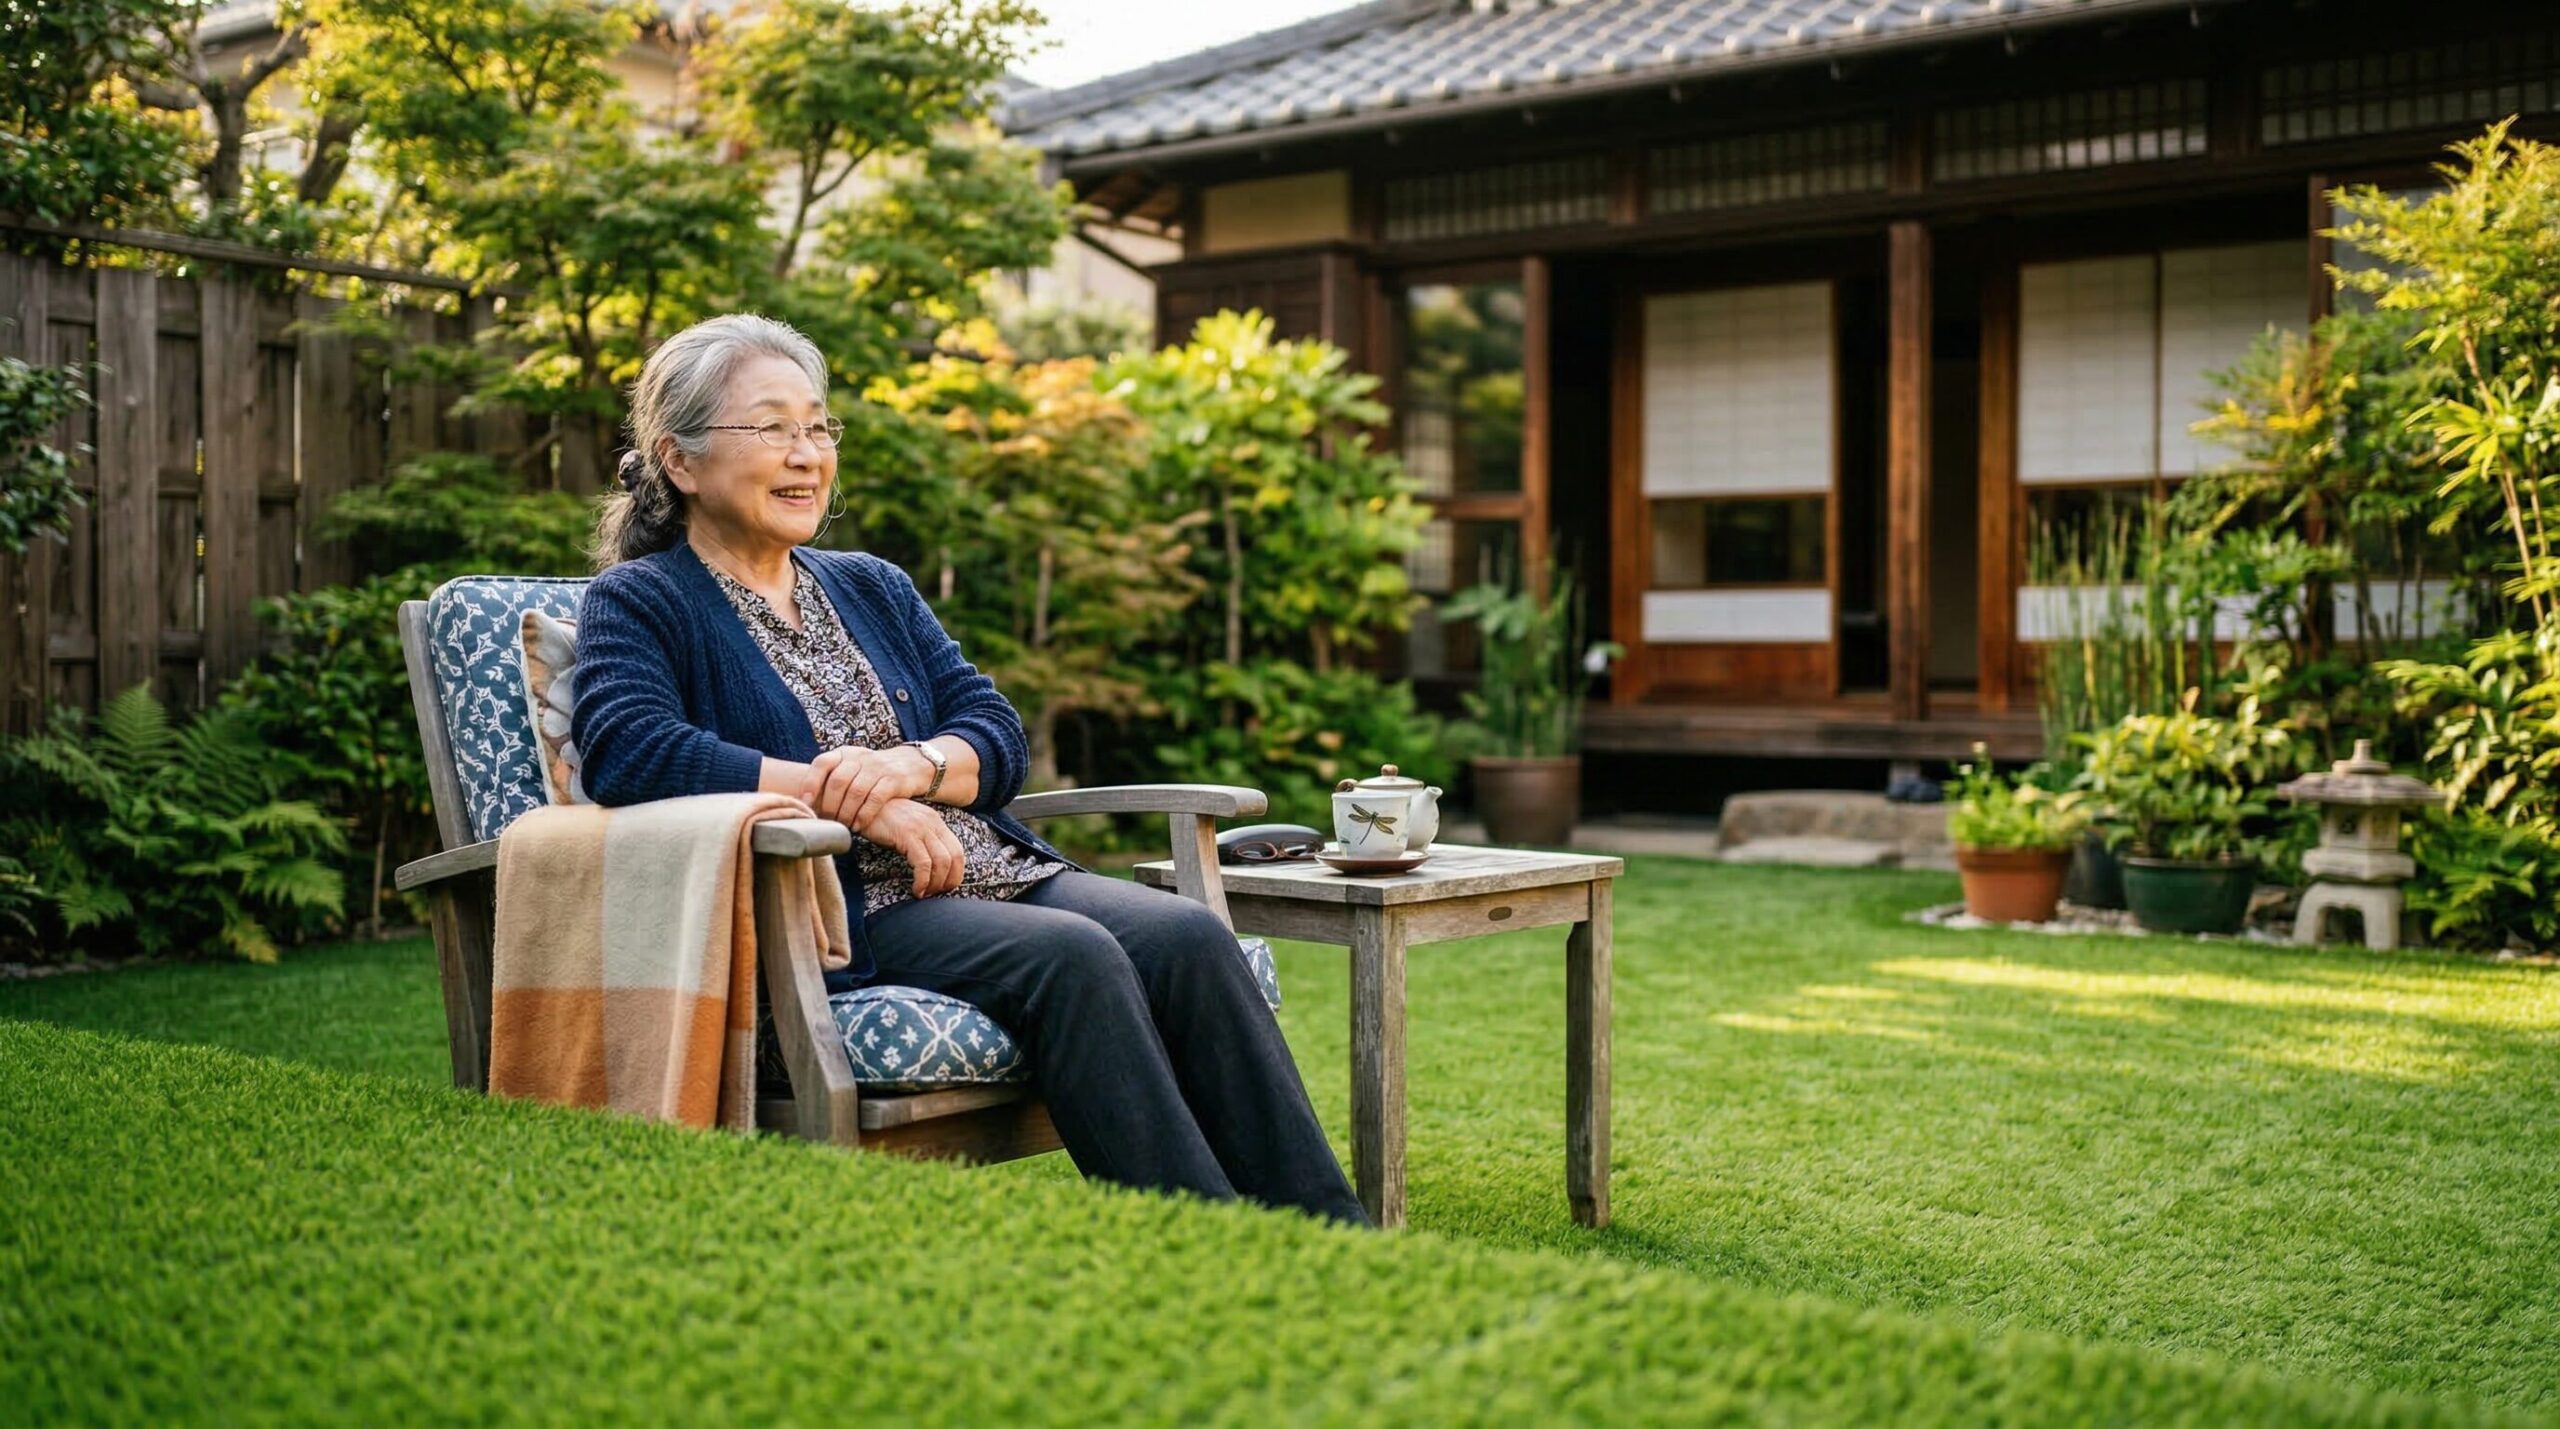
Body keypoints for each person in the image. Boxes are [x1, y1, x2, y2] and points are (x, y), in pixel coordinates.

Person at [573, 314, 1366, 1227]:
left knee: (1186, 934)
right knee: (1073, 958)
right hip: (838, 909)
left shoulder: (870, 582)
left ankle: (1330, 1232)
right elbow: (629, 750)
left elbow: (993, 730)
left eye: (819, 427)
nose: (807, 455)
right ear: (680, 459)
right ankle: (1204, 1240)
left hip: (985, 870)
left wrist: (907, 770)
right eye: (773, 428)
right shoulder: (638, 601)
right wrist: (851, 800)